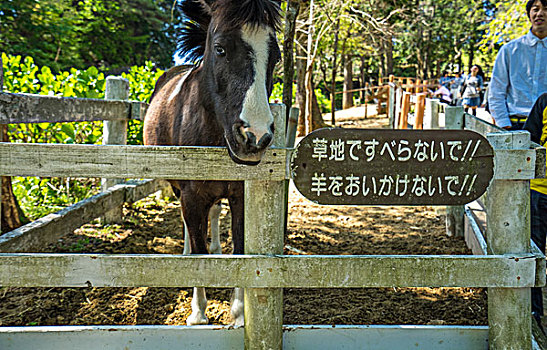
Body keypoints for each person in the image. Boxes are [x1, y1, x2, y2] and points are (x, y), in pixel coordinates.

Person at [488, 0, 547, 130]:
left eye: (545, 9)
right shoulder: (509, 50)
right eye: (535, 9)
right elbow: (496, 90)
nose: (540, 14)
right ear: (529, 14)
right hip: (515, 124)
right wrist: (503, 123)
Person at [524, 93, 547, 329]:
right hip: (539, 192)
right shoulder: (544, 102)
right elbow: (529, 140)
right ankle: (534, 318)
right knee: (534, 255)